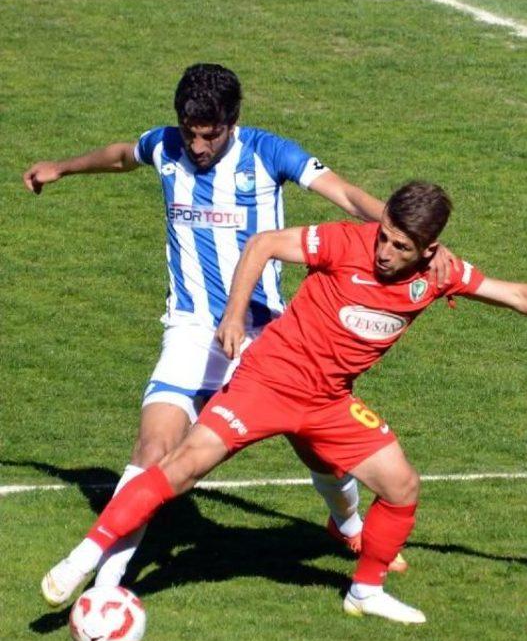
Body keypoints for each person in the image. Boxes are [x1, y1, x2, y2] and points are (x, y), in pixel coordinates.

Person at [41, 181, 527, 623]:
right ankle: (82, 559)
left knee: (401, 487)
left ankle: (365, 592)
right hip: (268, 382)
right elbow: (265, 243)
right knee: (182, 465)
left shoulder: (438, 274)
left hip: (328, 403)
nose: (384, 251)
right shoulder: (347, 241)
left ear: (430, 250)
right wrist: (234, 315)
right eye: (386, 235)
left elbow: (517, 294)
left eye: (400, 246)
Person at [25, 64, 450, 585]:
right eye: (190, 133)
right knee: (154, 450)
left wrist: (408, 230)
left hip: (267, 333)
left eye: (211, 135)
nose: (198, 146)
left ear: (233, 122)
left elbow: (346, 195)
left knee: (316, 444)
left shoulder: (269, 153)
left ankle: (347, 523)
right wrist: (61, 168)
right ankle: (106, 589)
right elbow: (120, 156)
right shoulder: (165, 147)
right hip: (190, 329)